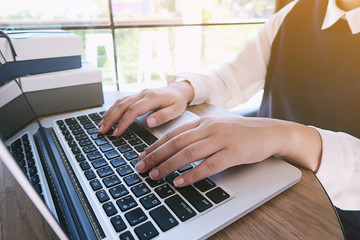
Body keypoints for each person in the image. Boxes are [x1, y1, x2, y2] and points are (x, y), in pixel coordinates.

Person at [98, 0, 360, 238]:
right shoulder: (293, 13)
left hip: (339, 215)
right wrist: (184, 89)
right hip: (264, 187)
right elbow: (231, 78)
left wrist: (287, 136)